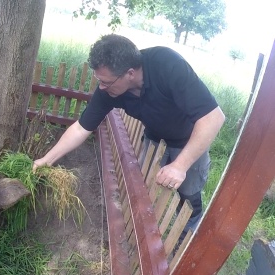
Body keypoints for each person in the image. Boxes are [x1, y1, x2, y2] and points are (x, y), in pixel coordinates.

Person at [33, 34, 225, 235]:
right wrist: (47, 160)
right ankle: (148, 230)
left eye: (106, 82)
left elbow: (213, 118)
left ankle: (190, 232)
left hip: (189, 138)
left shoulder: (168, 65)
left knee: (188, 191)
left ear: (130, 74)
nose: (101, 87)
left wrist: (179, 166)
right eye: (99, 80)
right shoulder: (109, 90)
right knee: (146, 183)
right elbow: (82, 128)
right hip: (154, 136)